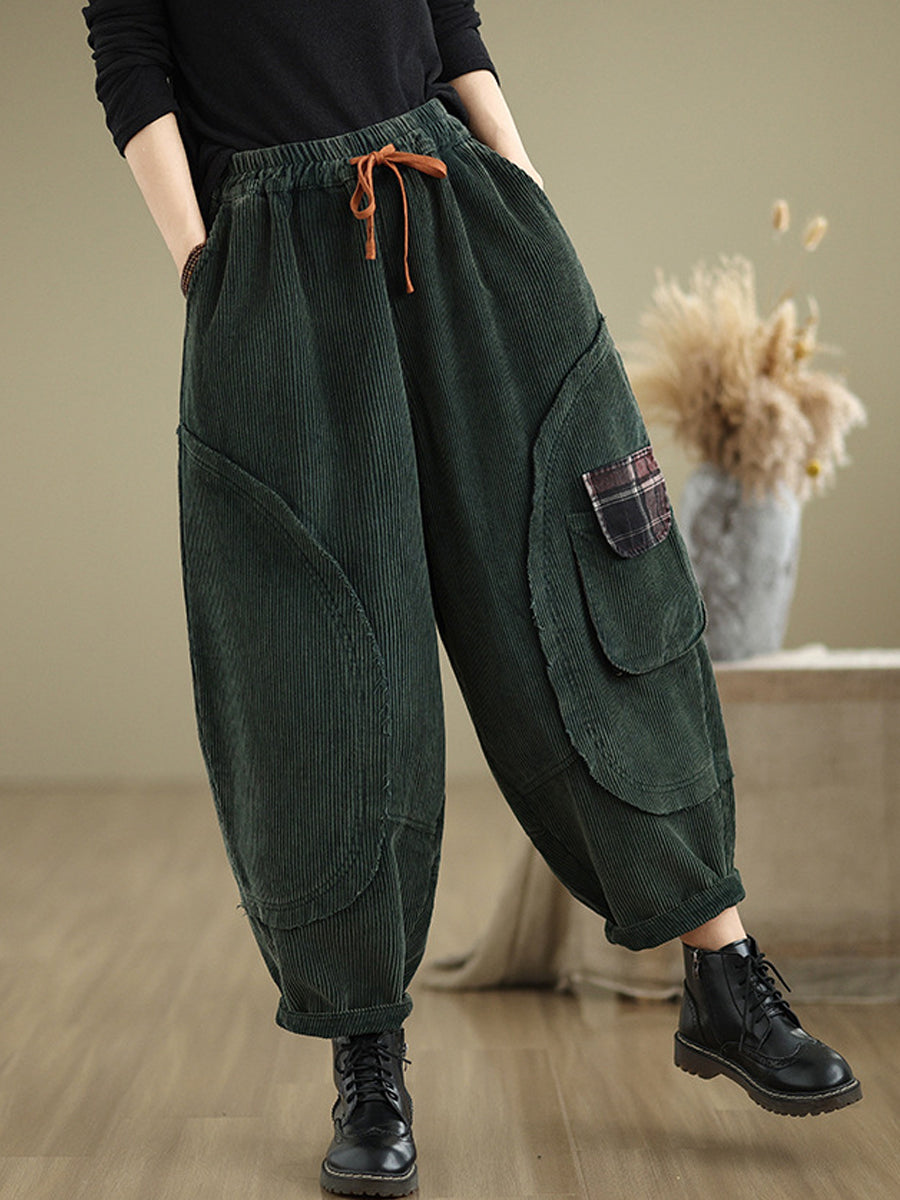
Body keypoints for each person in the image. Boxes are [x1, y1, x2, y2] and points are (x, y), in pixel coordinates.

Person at [81, 3, 862, 1195]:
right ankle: (368, 1059)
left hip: (461, 212)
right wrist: (205, 265)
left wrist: (524, 193)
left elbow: (447, 24)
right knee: (329, 666)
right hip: (275, 263)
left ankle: (724, 969)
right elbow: (131, 60)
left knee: (579, 590)